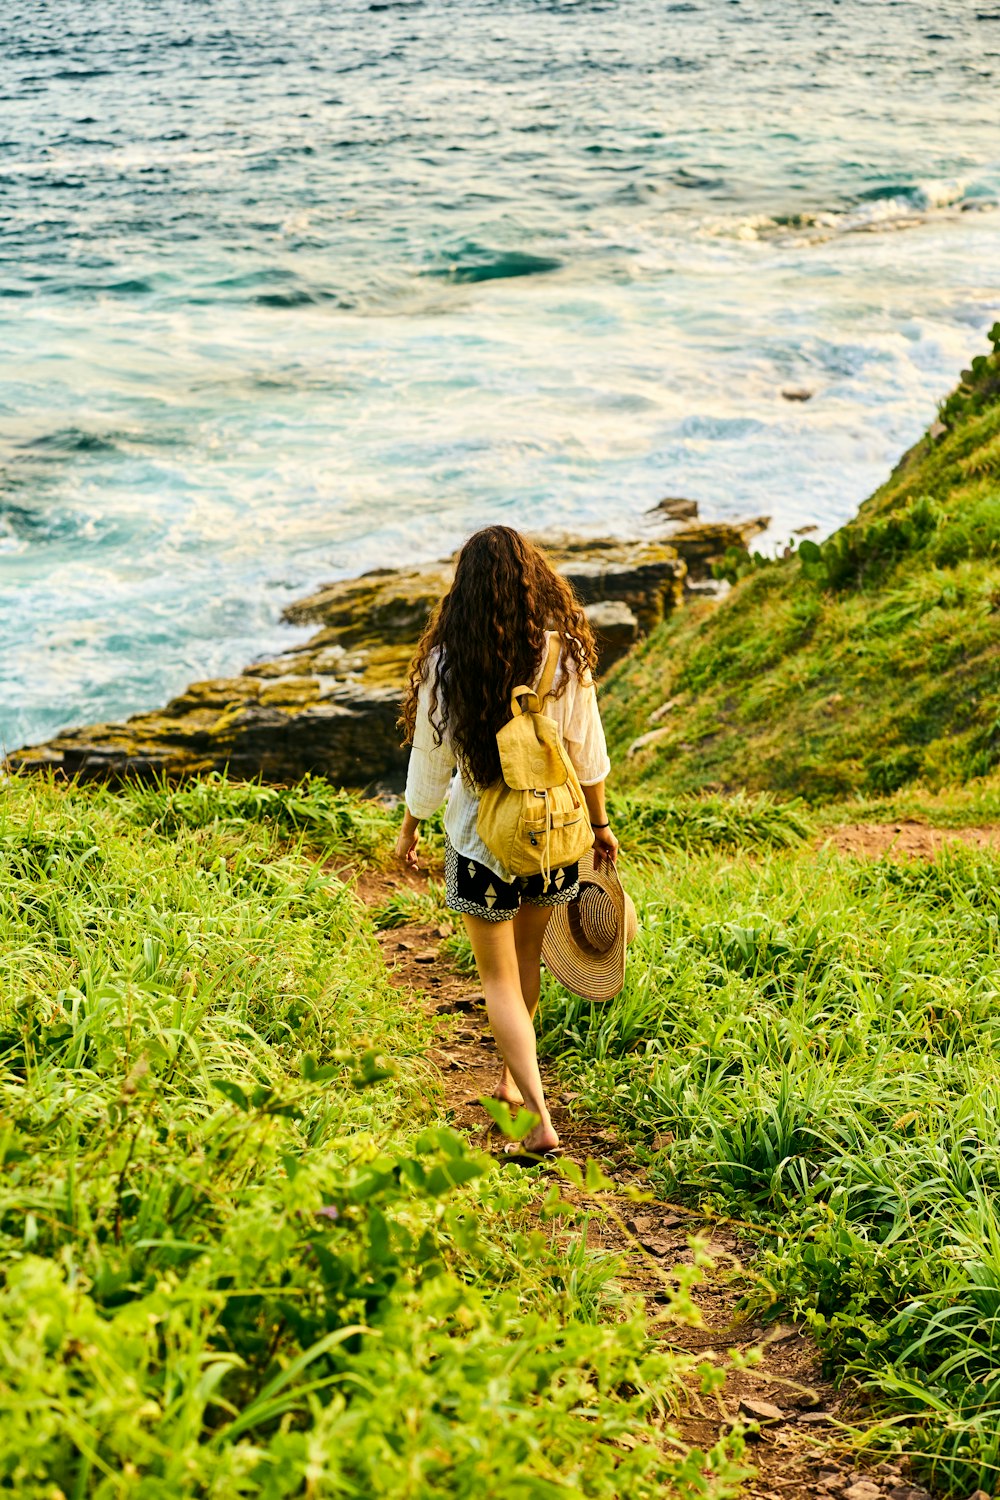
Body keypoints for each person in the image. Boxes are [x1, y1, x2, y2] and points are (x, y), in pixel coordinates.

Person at [396, 525, 618, 1156]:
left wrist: (412, 823)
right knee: (527, 967)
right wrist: (600, 827)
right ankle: (510, 1087)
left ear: (463, 591)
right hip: (553, 837)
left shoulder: (449, 660)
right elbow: (587, 752)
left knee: (497, 980)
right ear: (532, 581)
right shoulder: (566, 654)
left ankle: (538, 1120)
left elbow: (431, 759)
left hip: (480, 841)